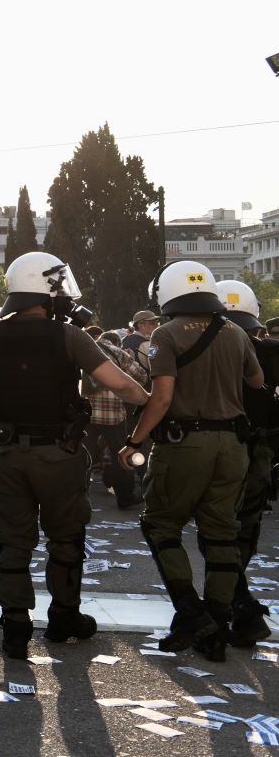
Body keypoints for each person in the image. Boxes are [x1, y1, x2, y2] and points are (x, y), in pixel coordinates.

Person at [0, 252, 149, 658]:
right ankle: (64, 616)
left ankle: (15, 626)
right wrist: (153, 403)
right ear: (49, 289)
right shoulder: (69, 336)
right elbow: (120, 384)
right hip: (58, 454)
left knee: (12, 541)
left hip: (8, 455)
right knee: (65, 538)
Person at [122, 261, 263, 662]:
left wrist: (134, 439)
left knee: (161, 524)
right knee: (221, 534)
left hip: (185, 444)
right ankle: (216, 629)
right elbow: (255, 383)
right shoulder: (236, 332)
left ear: (167, 293)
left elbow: (163, 397)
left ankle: (189, 609)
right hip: (231, 446)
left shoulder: (166, 334)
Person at [214, 279, 279, 647]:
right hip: (260, 456)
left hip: (221, 452)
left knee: (216, 532)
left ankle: (236, 605)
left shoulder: (205, 350)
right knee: (243, 531)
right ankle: (237, 604)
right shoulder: (271, 352)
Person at [81, 331, 149, 509]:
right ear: (116, 342)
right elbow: (141, 375)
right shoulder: (119, 353)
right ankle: (125, 496)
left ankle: (79, 495)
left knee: (83, 455)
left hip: (85, 413)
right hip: (113, 415)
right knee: (120, 454)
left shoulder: (82, 350)